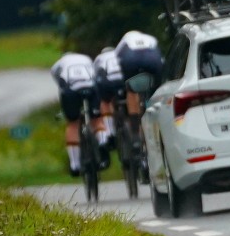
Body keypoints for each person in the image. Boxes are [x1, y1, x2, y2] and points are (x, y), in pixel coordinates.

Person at [51, 52, 110, 177]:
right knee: (97, 119)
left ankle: (75, 164)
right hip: (90, 87)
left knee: (73, 124)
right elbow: (96, 72)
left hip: (70, 90)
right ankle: (103, 142)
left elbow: (55, 76)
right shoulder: (87, 58)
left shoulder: (60, 63)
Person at [114, 31, 163, 181]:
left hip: (131, 61)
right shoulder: (151, 39)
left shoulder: (122, 44)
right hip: (153, 59)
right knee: (156, 90)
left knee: (131, 89)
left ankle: (135, 131)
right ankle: (156, 117)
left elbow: (117, 66)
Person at [93, 47, 123, 148]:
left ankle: (110, 132)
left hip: (108, 81)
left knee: (105, 101)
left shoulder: (100, 58)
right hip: (123, 79)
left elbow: (94, 75)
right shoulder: (121, 54)